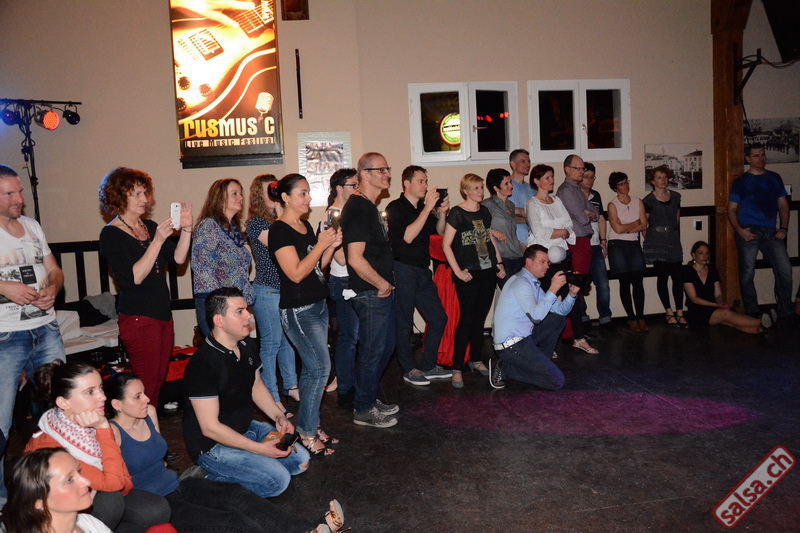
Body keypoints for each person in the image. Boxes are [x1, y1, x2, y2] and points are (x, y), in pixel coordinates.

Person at [105, 372, 344, 533]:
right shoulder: (112, 433)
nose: (147, 398)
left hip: (178, 486)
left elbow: (158, 457)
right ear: (117, 404)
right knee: (231, 523)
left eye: (144, 392)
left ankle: (308, 529)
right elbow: (113, 483)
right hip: (159, 504)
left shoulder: (149, 414)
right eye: (138, 396)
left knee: (240, 497)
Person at [182, 287, 310, 497]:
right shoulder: (203, 363)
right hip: (212, 445)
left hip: (244, 428)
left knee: (300, 463)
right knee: (277, 482)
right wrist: (258, 449)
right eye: (239, 311)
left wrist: (278, 415)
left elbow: (256, 385)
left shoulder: (246, 344)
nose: (248, 316)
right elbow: (210, 428)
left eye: (246, 310)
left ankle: (250, 463)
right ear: (219, 320)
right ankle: (201, 480)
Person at [25, 360, 169, 532]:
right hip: (60, 517)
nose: (103, 397)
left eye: (100, 388)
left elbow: (125, 481)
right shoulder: (52, 443)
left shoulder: (87, 423)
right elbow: (114, 483)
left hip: (94, 497)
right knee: (111, 501)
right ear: (63, 403)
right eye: (90, 392)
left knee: (157, 509)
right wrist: (103, 429)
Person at [98, 167, 193, 408]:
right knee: (145, 384)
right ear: (120, 196)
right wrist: (158, 241)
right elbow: (135, 277)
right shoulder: (111, 234)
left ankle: (151, 428)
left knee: (158, 381)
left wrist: (186, 229)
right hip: (138, 317)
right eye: (137, 194)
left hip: (162, 314)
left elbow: (178, 258)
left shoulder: (149, 226)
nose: (145, 199)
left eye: (145, 193)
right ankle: (142, 429)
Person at [0, 164, 66, 505]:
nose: (18, 199)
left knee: (66, 406)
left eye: (19, 191)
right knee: (0, 422)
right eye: (8, 193)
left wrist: (52, 288)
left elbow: (54, 270)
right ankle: (2, 501)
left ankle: (65, 482)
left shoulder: (32, 226)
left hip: (46, 328)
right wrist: (4, 287)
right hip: (6, 336)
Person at [269, 174, 341, 456]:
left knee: (314, 370)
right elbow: (296, 273)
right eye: (302, 193)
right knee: (320, 369)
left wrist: (330, 246)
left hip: (318, 304)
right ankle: (306, 432)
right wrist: (321, 245)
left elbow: (317, 268)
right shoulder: (279, 231)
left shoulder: (305, 225)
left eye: (308, 192)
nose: (308, 198)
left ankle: (311, 424)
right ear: (285, 198)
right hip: (298, 310)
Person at [338, 152, 400, 428]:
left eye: (388, 169)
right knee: (373, 351)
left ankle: (368, 398)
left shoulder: (369, 207)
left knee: (385, 347)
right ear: (364, 174)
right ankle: (362, 409)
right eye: (381, 169)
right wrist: (381, 284)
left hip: (378, 291)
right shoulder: (358, 208)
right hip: (370, 292)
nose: (388, 174)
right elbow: (354, 258)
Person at [385, 165, 452, 386]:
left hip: (423, 270)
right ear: (407, 183)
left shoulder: (423, 207)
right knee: (404, 321)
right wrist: (428, 209)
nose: (425, 185)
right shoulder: (396, 207)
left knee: (438, 318)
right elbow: (407, 236)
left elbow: (439, 231)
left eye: (426, 181)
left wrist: (441, 213)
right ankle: (408, 369)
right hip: (403, 268)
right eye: (421, 181)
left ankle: (429, 366)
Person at [442, 173, 506, 389]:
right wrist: (458, 272)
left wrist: (498, 262)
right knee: (466, 320)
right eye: (476, 188)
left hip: (487, 272)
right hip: (468, 274)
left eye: (481, 187)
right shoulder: (457, 213)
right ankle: (457, 367)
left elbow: (489, 238)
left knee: (479, 319)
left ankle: (476, 359)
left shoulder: (484, 211)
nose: (481, 191)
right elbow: (446, 245)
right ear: (466, 191)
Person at [527, 164, 598, 355]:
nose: (551, 181)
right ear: (536, 181)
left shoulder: (557, 200)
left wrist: (562, 233)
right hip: (544, 260)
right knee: (545, 300)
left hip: (562, 256)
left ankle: (579, 338)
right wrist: (561, 232)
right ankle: (543, 343)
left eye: (552, 177)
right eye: (547, 178)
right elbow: (539, 232)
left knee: (571, 294)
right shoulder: (532, 203)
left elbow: (569, 225)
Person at [489, 245, 579, 391]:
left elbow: (560, 311)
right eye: (542, 262)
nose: (547, 266)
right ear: (529, 262)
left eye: (547, 262)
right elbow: (536, 317)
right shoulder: (521, 282)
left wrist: (572, 294)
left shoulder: (532, 284)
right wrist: (553, 288)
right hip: (511, 346)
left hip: (524, 337)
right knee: (557, 381)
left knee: (557, 320)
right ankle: (506, 369)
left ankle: (541, 363)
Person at [245, 174, 299, 418]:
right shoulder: (255, 223)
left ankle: (292, 386)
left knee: (287, 342)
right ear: (259, 194)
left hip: (284, 290)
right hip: (267, 290)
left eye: (278, 189)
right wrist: (281, 212)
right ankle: (273, 398)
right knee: (271, 344)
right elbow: (279, 243)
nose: (275, 194)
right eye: (271, 190)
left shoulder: (281, 220)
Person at [727, 144, 793, 320]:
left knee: (785, 269)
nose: (761, 158)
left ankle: (786, 310)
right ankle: (752, 311)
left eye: (763, 155)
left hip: (771, 230)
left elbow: (783, 205)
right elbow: (731, 210)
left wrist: (784, 227)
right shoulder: (741, 182)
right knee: (747, 272)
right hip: (749, 229)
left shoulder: (774, 178)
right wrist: (739, 230)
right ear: (748, 159)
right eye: (756, 155)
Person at [192, 178, 253, 337]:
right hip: (216, 305)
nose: (240, 197)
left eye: (240, 194)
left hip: (232, 304)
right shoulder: (209, 226)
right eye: (234, 194)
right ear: (220, 198)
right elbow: (201, 266)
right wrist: (221, 303)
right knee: (220, 350)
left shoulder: (233, 229)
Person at [2, 447, 112, 533]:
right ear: (39, 502)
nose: (86, 481)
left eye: (79, 471)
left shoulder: (88, 522)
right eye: (69, 480)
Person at [555, 155, 599, 351]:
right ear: (567, 169)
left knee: (579, 288)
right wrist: (588, 214)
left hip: (584, 241)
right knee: (574, 288)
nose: (582, 172)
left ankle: (574, 331)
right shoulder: (566, 191)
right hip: (576, 242)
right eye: (578, 168)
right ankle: (570, 333)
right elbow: (583, 218)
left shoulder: (577, 190)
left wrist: (589, 213)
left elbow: (595, 213)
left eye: (583, 168)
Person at [324, 169, 360, 409]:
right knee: (349, 337)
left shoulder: (352, 212)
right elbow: (340, 258)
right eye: (352, 185)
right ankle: (346, 386)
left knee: (356, 337)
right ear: (339, 188)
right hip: (344, 281)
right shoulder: (332, 215)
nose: (357, 189)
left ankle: (350, 380)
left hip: (356, 279)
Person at [682, 241, 767, 335]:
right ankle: (761, 322)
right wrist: (716, 305)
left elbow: (718, 294)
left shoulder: (713, 270)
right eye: (701, 253)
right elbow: (694, 299)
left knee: (733, 323)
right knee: (726, 314)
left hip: (714, 308)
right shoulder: (688, 272)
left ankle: (762, 330)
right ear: (693, 255)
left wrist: (721, 303)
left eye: (707, 253)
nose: (705, 256)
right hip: (697, 311)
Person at [642, 165, 686, 327]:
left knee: (678, 277)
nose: (663, 180)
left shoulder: (676, 197)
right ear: (652, 181)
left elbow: (677, 219)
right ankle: (668, 311)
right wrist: (651, 242)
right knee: (663, 277)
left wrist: (675, 238)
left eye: (665, 177)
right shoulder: (648, 200)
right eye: (659, 177)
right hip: (656, 241)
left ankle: (680, 311)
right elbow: (644, 224)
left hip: (673, 240)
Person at [607, 172, 648, 332]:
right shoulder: (612, 205)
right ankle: (631, 319)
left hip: (633, 243)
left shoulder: (638, 202)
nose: (625, 185)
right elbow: (617, 229)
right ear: (615, 188)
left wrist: (627, 228)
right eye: (621, 183)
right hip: (616, 244)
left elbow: (644, 225)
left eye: (626, 182)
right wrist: (635, 223)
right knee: (624, 282)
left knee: (638, 281)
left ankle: (641, 318)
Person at [579, 163, 612, 327]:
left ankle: (605, 317)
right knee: (580, 283)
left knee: (603, 284)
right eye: (586, 177)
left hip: (595, 245)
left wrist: (603, 241)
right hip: (579, 245)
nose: (589, 180)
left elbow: (601, 219)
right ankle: (582, 317)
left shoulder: (596, 195)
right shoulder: (572, 195)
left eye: (592, 177)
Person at [483, 168, 526, 287]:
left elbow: (510, 230)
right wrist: (493, 231)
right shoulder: (487, 205)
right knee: (510, 292)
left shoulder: (511, 205)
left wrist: (520, 244)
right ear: (496, 188)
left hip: (518, 256)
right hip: (502, 258)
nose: (511, 186)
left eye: (510, 182)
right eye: (506, 184)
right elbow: (477, 228)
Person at [508, 149, 535, 244]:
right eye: (523, 161)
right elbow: (505, 215)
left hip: (531, 240)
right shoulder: (506, 187)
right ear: (513, 164)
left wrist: (519, 213)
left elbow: (537, 215)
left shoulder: (531, 189)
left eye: (528, 161)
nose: (527, 164)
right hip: (513, 240)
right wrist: (526, 215)